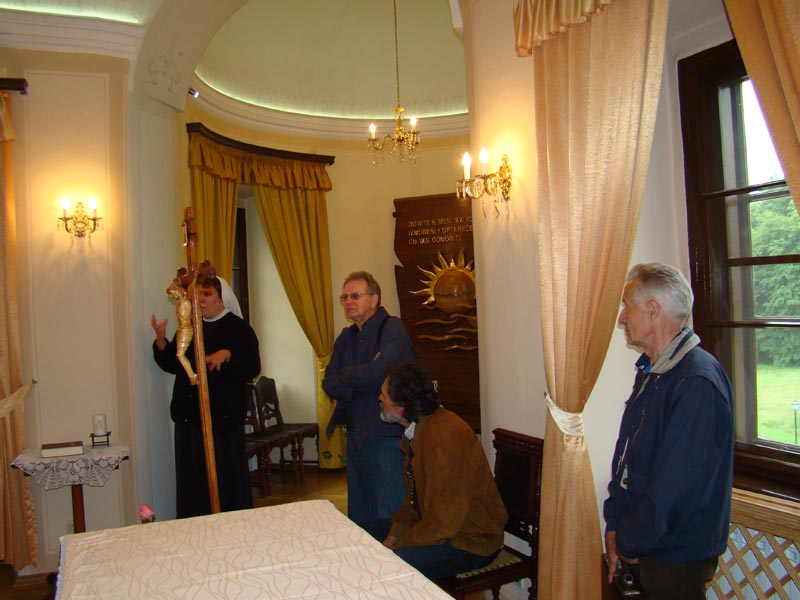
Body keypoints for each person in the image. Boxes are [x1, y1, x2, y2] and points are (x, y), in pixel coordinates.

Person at [603, 263, 733, 600]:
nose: (621, 318)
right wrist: (614, 522)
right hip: (645, 544)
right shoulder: (654, 372)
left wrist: (628, 539)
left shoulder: (696, 382)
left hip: (673, 556)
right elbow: (628, 458)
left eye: (626, 306)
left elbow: (675, 488)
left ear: (652, 310)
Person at [365, 361, 507, 580]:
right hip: (438, 529)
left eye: (384, 394)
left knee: (387, 567)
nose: (379, 398)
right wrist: (394, 536)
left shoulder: (446, 437)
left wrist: (398, 546)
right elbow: (413, 503)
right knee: (359, 533)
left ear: (401, 406)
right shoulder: (419, 430)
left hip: (470, 542)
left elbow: (443, 523)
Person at [152, 275, 261, 518]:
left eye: (207, 294)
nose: (200, 300)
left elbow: (252, 366)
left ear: (222, 299)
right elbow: (173, 364)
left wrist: (228, 355)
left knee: (225, 485)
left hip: (222, 423)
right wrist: (161, 341)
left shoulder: (239, 329)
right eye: (197, 294)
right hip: (190, 422)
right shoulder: (190, 327)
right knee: (193, 485)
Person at [322, 271, 416, 527]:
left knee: (390, 509)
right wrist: (363, 376)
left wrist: (347, 374)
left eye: (355, 296)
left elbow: (380, 374)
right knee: (360, 510)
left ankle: (394, 552)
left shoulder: (392, 328)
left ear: (374, 299)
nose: (348, 302)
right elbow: (329, 383)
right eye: (345, 297)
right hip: (355, 432)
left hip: (385, 433)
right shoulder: (346, 337)